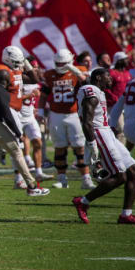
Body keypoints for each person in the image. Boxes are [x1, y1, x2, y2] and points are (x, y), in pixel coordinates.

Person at [72, 68, 135, 224]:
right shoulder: (91, 91)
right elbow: (87, 122)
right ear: (98, 77)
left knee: (133, 173)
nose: (110, 79)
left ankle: (126, 214)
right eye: (107, 76)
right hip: (99, 134)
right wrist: (92, 146)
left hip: (107, 132)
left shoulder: (98, 91)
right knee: (120, 176)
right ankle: (83, 201)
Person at [0, 69, 50, 197]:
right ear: (6, 82)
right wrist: (18, 133)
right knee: (17, 153)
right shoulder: (2, 92)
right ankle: (32, 186)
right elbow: (7, 114)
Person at [38, 49, 94, 189]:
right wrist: (40, 111)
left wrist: (73, 70)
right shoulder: (50, 74)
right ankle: (62, 179)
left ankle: (86, 179)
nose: (60, 65)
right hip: (56, 114)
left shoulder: (79, 71)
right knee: (59, 147)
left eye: (63, 63)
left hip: (74, 114)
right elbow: (44, 94)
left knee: (79, 147)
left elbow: (86, 82)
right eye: (58, 63)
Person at [0, 45, 40, 189]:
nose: (20, 64)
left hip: (16, 111)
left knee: (11, 146)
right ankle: (19, 179)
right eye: (18, 61)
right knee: (15, 145)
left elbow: (34, 79)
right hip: (9, 110)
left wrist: (25, 62)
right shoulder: (2, 70)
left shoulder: (15, 69)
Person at [110, 60, 135, 151]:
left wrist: (112, 124)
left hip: (130, 124)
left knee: (127, 157)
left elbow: (119, 104)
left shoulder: (133, 80)